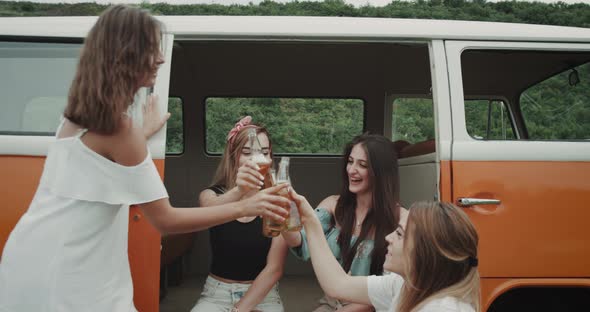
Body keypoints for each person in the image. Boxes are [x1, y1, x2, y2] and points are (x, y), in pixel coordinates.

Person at [0, 6, 289, 312]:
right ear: (127, 54)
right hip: (70, 267)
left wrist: (142, 132)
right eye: (153, 49)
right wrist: (245, 205)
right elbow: (165, 220)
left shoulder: (77, 116)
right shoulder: (118, 129)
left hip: (32, 253)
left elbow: (102, 157)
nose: (162, 58)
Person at [290, 196, 481, 312]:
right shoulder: (402, 284)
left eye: (399, 233)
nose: (388, 237)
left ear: (425, 252)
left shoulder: (443, 309)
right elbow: (338, 284)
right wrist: (309, 219)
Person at [281, 133, 401, 312]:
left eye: (362, 165)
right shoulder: (332, 205)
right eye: (350, 161)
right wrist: (282, 216)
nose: (352, 170)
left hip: (372, 306)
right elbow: (301, 242)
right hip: (331, 304)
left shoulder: (402, 221)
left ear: (381, 172)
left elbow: (395, 288)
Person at [191, 116, 287, 312]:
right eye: (247, 152)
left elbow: (274, 268)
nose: (256, 158)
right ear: (234, 156)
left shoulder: (277, 199)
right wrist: (239, 190)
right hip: (216, 294)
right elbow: (209, 211)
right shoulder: (210, 194)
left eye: (264, 152)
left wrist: (240, 309)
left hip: (263, 294)